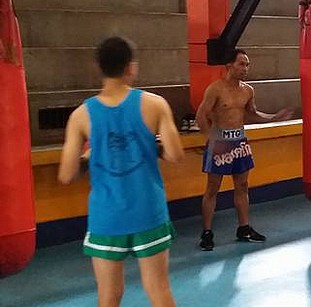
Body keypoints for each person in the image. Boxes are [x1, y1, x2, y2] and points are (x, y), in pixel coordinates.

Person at [57, 36, 184, 307]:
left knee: (109, 296)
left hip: (107, 216)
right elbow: (175, 154)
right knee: (159, 290)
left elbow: (66, 174)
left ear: (98, 67)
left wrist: (90, 156)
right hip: (148, 211)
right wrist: (151, 146)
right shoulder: (155, 104)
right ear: (131, 67)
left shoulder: (80, 115)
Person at [195, 49, 294, 251]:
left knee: (242, 185)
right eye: (242, 64)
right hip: (219, 142)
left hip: (239, 141)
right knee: (213, 188)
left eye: (247, 64)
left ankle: (244, 228)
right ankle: (207, 232)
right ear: (229, 65)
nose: (246, 68)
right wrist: (211, 139)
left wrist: (273, 117)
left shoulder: (247, 90)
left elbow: (252, 114)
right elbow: (201, 116)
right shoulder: (215, 89)